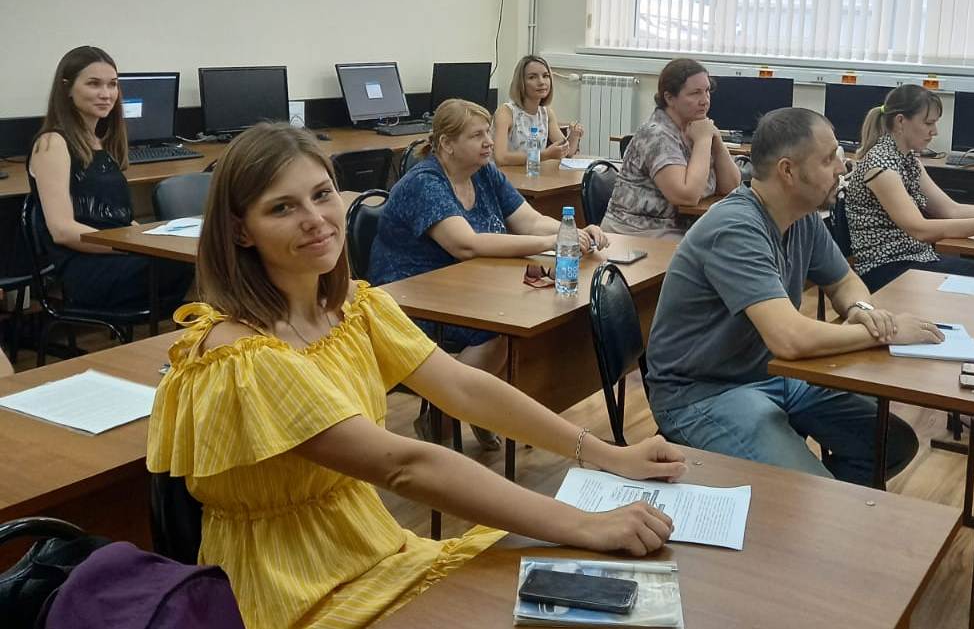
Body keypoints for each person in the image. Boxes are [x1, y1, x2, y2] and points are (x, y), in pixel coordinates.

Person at [147, 122, 683, 629]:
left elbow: (465, 388)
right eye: (282, 207)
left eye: (322, 194)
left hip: (373, 551)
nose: (314, 218)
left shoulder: (353, 308)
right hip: (292, 588)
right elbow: (404, 466)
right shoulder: (240, 356)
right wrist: (585, 523)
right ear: (240, 231)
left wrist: (607, 454)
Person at [645, 107, 942, 485]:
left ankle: (821, 510)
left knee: (890, 444)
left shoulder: (801, 217)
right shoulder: (735, 228)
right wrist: (887, 331)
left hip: (769, 375)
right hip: (701, 394)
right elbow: (789, 339)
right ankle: (808, 509)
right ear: (787, 171)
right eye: (828, 159)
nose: (842, 167)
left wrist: (861, 309)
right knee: (807, 492)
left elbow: (844, 282)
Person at [368, 99, 608, 447]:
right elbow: (465, 245)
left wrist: (572, 231)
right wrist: (552, 242)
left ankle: (477, 408)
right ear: (447, 144)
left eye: (487, 133)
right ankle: (445, 416)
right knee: (496, 333)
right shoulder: (424, 182)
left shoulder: (483, 172)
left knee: (523, 325)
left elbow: (529, 220)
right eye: (477, 135)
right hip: (413, 298)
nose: (489, 142)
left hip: (467, 287)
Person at [26, 46, 192, 311]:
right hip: (88, 269)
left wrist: (151, 238)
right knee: (200, 264)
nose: (106, 94)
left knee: (200, 257)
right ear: (67, 88)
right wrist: (132, 246)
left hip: (117, 255)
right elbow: (62, 231)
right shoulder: (52, 144)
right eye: (94, 84)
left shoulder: (100, 143)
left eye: (112, 84)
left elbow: (118, 219)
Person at [845, 84, 974, 292]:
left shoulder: (908, 160)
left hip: (915, 260)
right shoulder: (881, 165)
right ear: (900, 121)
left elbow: (951, 210)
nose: (935, 131)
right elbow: (920, 229)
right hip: (888, 270)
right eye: (928, 123)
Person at [602, 59, 741, 238]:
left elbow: (731, 187)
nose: (705, 100)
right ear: (669, 98)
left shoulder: (697, 129)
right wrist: (703, 141)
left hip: (680, 231)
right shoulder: (656, 134)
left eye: (707, 91)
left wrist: (716, 140)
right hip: (637, 232)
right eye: (695, 93)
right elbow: (687, 196)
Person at [491, 55, 583, 166]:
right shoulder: (506, 113)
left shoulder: (546, 113)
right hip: (504, 174)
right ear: (521, 82)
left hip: (532, 174)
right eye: (532, 77)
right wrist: (544, 155)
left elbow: (566, 152)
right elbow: (500, 158)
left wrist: (574, 135)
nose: (541, 82)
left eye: (545, 76)